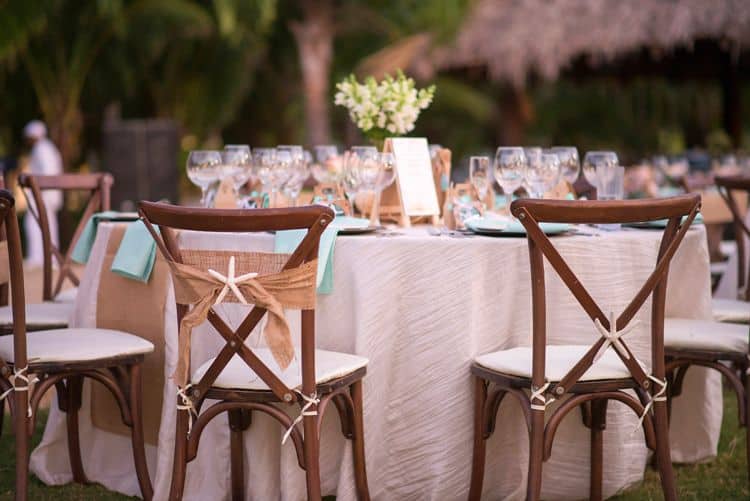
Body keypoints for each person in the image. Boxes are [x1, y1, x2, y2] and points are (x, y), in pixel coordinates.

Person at [23, 120, 62, 266]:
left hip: (44, 195)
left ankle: (40, 258)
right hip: (46, 194)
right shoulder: (46, 148)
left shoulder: (42, 149)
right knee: (47, 226)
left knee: (35, 224)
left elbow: (48, 173)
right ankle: (47, 258)